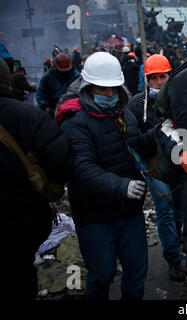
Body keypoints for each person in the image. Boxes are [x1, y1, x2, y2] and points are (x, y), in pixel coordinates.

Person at [55, 52, 157, 300]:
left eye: (114, 89)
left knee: (136, 271)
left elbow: (135, 146)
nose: (110, 96)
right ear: (88, 87)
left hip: (128, 212)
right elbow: (83, 168)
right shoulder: (75, 123)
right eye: (103, 90)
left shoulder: (124, 115)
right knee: (102, 274)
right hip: (94, 216)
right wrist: (121, 185)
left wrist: (158, 133)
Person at [0, 57, 71, 300]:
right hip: (21, 217)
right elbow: (59, 155)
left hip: (20, 217)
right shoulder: (27, 116)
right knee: (19, 275)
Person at [127, 54, 185, 282]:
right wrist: (160, 131)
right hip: (154, 164)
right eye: (154, 78)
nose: (159, 82)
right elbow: (136, 142)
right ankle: (173, 259)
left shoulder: (179, 99)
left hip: (178, 162)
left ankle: (178, 243)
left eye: (163, 76)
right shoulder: (136, 105)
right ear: (146, 79)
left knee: (179, 208)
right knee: (165, 210)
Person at [36, 53, 79, 118]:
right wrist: (45, 107)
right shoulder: (48, 77)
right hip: (53, 110)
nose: (64, 70)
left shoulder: (76, 76)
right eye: (62, 67)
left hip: (72, 110)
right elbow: (41, 93)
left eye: (66, 66)